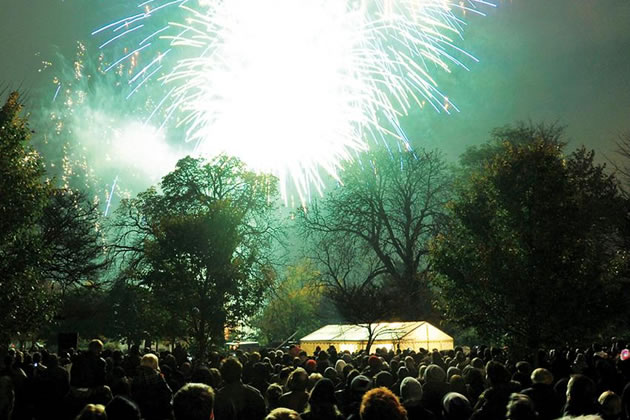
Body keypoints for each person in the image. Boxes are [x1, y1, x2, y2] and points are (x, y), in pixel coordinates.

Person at [130, 354, 172, 420]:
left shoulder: (136, 376)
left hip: (140, 410)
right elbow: (168, 393)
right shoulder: (158, 376)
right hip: (156, 411)